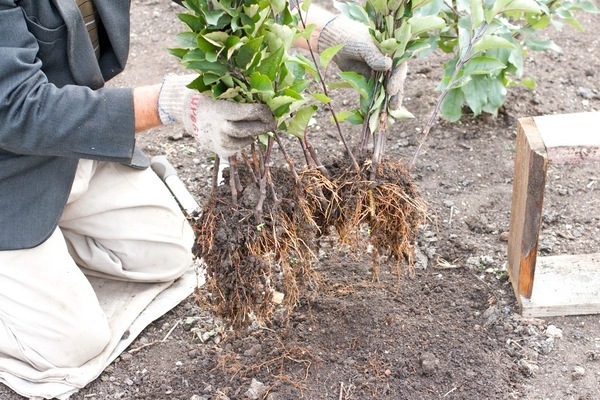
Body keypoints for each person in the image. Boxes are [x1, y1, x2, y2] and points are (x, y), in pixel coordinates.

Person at [0, 0, 403, 398]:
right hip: (8, 167)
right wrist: (170, 102)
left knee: (169, 255)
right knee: (68, 348)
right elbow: (15, 107)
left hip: (66, 146)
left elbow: (225, 4)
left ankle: (43, 256)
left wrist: (330, 33)